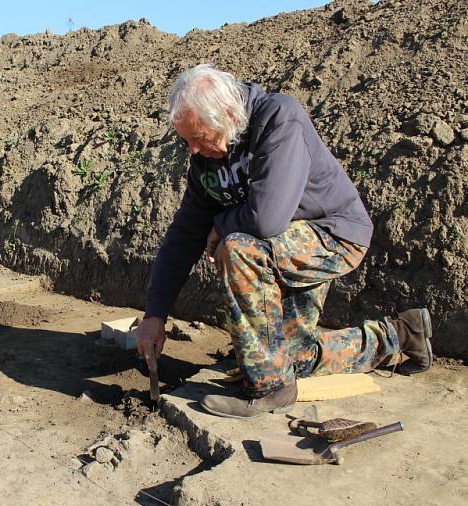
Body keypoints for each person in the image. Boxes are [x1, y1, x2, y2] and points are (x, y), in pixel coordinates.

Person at [135, 65, 433, 419]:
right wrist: (155, 315)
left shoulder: (278, 117)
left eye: (200, 137)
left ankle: (269, 388)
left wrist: (219, 227)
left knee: (238, 248)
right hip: (283, 246)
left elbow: (267, 217)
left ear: (230, 115)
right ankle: (401, 335)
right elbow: (184, 234)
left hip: (333, 235)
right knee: (293, 356)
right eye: (187, 141)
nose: (194, 150)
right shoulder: (208, 162)